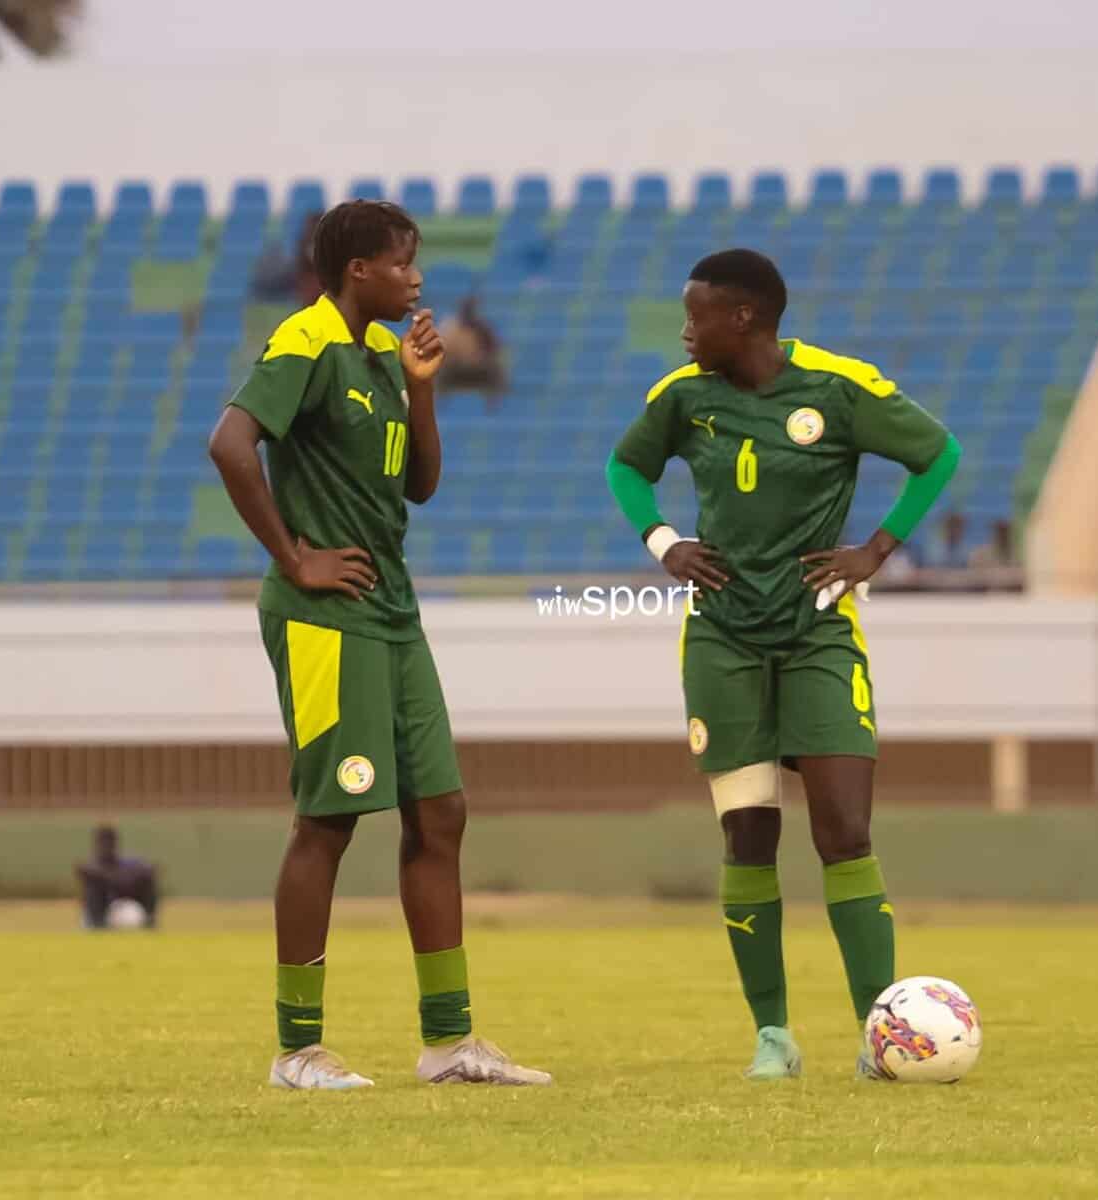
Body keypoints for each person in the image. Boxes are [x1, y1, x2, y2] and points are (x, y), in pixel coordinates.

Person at [208, 200, 549, 1091]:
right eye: (403, 262)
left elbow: (421, 485)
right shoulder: (307, 340)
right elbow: (230, 443)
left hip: (392, 609)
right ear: (358, 269)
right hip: (325, 616)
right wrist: (296, 558)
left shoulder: (382, 358)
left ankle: (448, 1043)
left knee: (440, 812)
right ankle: (297, 1051)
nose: (417, 277)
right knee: (329, 819)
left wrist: (422, 386)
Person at [604, 249, 960, 1081]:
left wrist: (875, 550)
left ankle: (878, 1036)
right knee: (749, 835)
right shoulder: (682, 397)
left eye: (696, 317)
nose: (685, 333)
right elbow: (627, 466)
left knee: (845, 831)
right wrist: (663, 541)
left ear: (745, 319)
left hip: (818, 634)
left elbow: (937, 454)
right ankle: (773, 1035)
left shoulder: (838, 388)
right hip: (722, 639)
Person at [76, 826, 160, 929]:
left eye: (109, 841)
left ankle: (150, 921)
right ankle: (97, 927)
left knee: (146, 884)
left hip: (123, 911)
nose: (106, 846)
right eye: (103, 842)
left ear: (115, 843)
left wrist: (110, 879)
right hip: (98, 914)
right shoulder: (91, 867)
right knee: (93, 887)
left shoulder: (128, 864)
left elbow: (149, 871)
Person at [437, 295, 507, 409]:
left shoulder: (484, 329)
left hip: (477, 369)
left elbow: (495, 350)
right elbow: (441, 351)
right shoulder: (450, 327)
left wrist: (481, 358)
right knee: (436, 371)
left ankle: (493, 408)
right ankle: (437, 407)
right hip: (455, 369)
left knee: (496, 370)